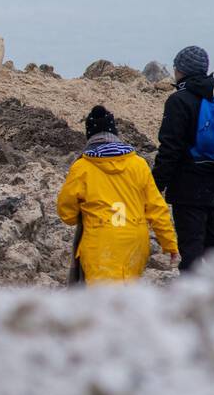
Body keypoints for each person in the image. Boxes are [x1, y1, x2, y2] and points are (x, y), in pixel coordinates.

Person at [58, 105, 178, 283]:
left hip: (100, 241)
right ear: (115, 134)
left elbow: (66, 213)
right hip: (135, 240)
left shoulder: (82, 167)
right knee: (127, 295)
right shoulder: (138, 164)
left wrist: (82, 215)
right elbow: (157, 207)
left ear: (89, 136)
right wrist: (169, 242)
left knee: (103, 301)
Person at [153, 45, 214, 272]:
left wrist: (154, 187)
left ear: (181, 70)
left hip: (189, 190)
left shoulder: (179, 101)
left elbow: (170, 149)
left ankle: (194, 303)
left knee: (192, 253)